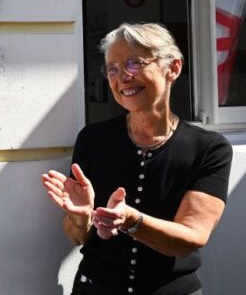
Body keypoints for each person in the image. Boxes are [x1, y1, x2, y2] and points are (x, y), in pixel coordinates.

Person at [41, 23, 232, 295]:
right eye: (113, 69)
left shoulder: (209, 148)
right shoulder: (94, 140)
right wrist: (80, 218)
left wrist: (132, 220)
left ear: (173, 68)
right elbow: (77, 236)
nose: (123, 78)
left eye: (134, 63)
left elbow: (192, 237)